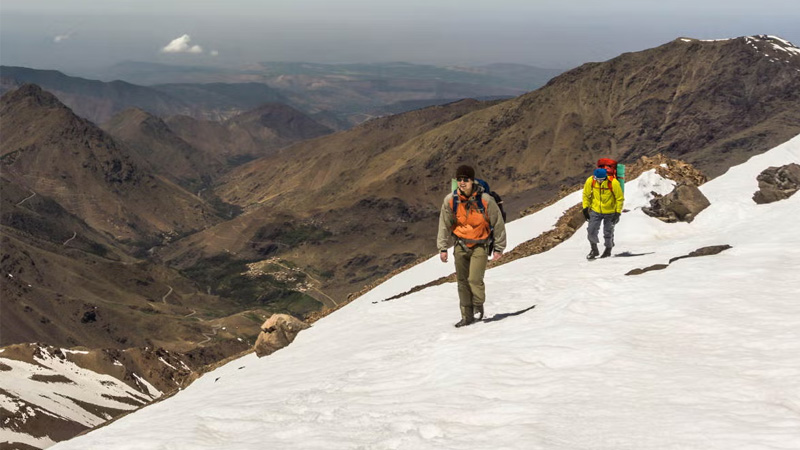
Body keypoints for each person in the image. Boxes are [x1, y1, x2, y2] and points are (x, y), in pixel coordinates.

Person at [437, 165, 507, 327]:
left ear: (472, 180)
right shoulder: (451, 200)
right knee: (462, 281)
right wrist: (442, 247)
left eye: (465, 179)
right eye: (459, 179)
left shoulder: (485, 200)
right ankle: (466, 316)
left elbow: (498, 224)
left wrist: (499, 248)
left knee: (474, 279)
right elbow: (444, 224)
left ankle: (477, 304)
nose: (462, 183)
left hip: (480, 246)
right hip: (460, 245)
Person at [582, 167, 624, 259]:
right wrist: (585, 208)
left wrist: (617, 212)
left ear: (605, 177)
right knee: (591, 231)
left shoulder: (613, 183)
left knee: (608, 232)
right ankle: (594, 249)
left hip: (610, 212)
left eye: (601, 179)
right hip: (595, 210)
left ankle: (608, 249)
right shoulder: (591, 180)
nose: (599, 181)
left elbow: (619, 198)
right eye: (597, 179)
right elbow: (586, 194)